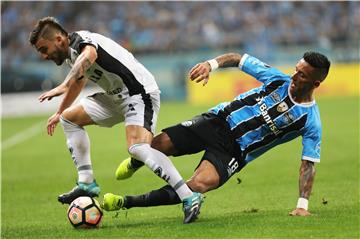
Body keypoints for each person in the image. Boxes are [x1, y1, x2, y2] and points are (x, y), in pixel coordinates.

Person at [102, 51, 330, 218]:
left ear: (316, 83)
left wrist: (302, 205)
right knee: (156, 144)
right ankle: (135, 162)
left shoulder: (310, 121)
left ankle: (126, 202)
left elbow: (307, 164)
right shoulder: (277, 79)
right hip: (217, 121)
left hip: (236, 150)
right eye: (296, 70)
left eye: (302, 75)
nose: (294, 76)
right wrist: (210, 65)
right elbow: (237, 58)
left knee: (200, 184)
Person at [29, 16, 202, 223]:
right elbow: (79, 81)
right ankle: (86, 183)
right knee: (68, 119)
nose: (43, 56)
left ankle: (189, 197)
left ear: (59, 39)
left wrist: (64, 84)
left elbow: (88, 57)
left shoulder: (82, 41)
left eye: (43, 49)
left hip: (139, 93)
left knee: (137, 147)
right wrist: (60, 111)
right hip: (115, 97)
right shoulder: (71, 56)